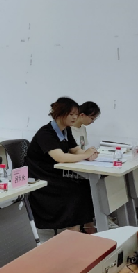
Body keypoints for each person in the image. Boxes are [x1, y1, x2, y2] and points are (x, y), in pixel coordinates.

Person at [25, 97, 98, 232]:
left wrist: (88, 154)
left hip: (55, 171)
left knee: (85, 185)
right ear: (60, 114)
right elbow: (60, 157)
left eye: (76, 114)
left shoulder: (66, 130)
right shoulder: (46, 132)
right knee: (74, 190)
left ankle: (87, 225)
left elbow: (75, 149)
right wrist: (85, 155)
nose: (75, 117)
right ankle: (73, 229)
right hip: (41, 175)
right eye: (71, 114)